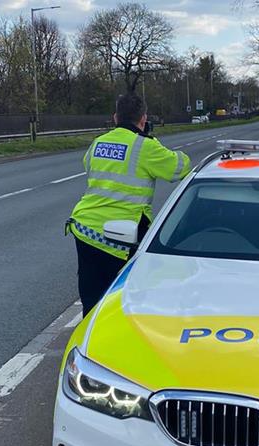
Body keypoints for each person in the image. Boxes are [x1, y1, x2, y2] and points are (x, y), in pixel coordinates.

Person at [67, 94, 191, 316]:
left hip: (85, 228)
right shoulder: (145, 146)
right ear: (143, 119)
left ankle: (90, 339)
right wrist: (152, 141)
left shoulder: (99, 142)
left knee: (91, 300)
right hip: (119, 237)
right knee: (122, 303)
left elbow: (88, 165)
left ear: (115, 118)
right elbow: (180, 167)